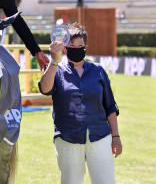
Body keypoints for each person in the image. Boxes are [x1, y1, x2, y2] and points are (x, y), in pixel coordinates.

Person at [38, 22, 122, 184]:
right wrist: (53, 61)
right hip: (68, 137)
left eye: (80, 45)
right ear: (64, 47)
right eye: (71, 45)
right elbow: (45, 89)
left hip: (100, 136)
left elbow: (110, 106)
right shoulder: (57, 70)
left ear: (86, 47)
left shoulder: (98, 70)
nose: (76, 48)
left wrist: (116, 136)